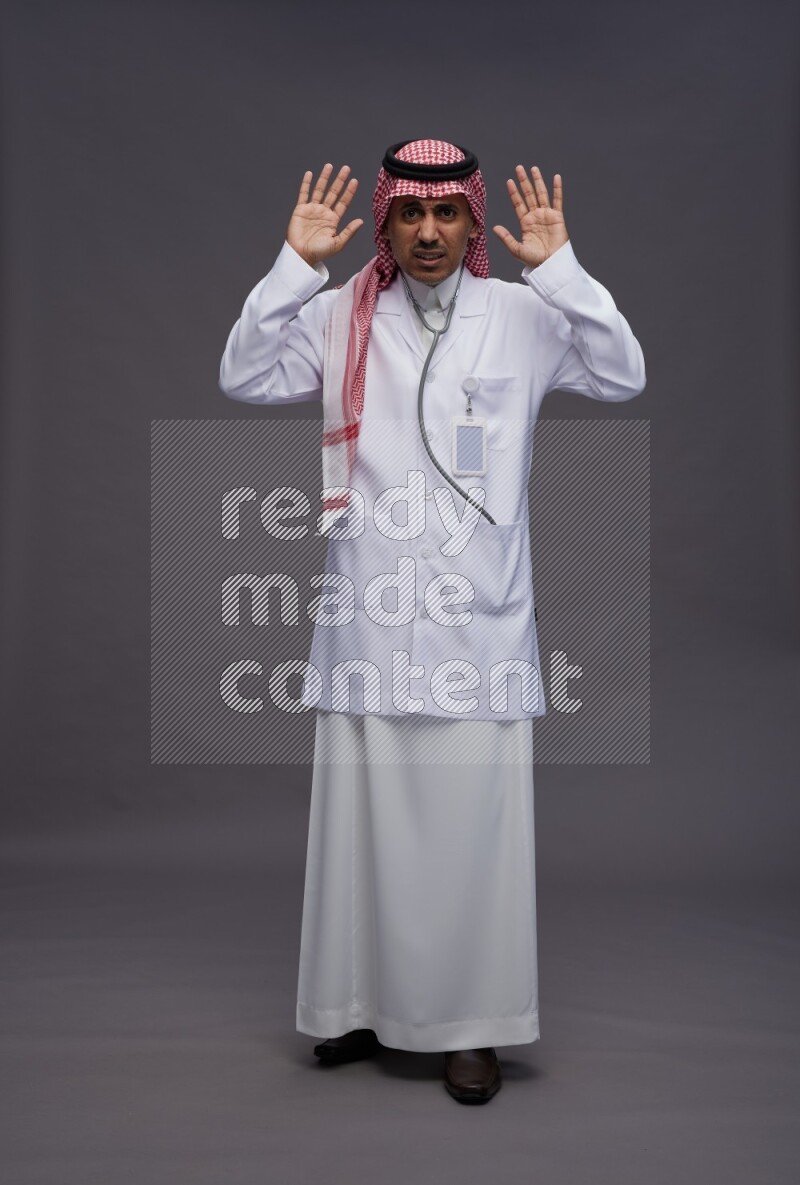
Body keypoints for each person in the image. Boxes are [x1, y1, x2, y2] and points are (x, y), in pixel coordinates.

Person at [219, 139, 645, 1104]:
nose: (428, 232)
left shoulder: (526, 315)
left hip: (477, 628)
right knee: (361, 830)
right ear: (386, 221)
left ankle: (470, 1028)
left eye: (447, 214)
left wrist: (563, 269)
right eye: (410, 215)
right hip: (369, 615)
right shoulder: (339, 317)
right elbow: (242, 375)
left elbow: (623, 375)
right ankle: (356, 1007)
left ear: (469, 220)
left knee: (471, 838)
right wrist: (295, 266)